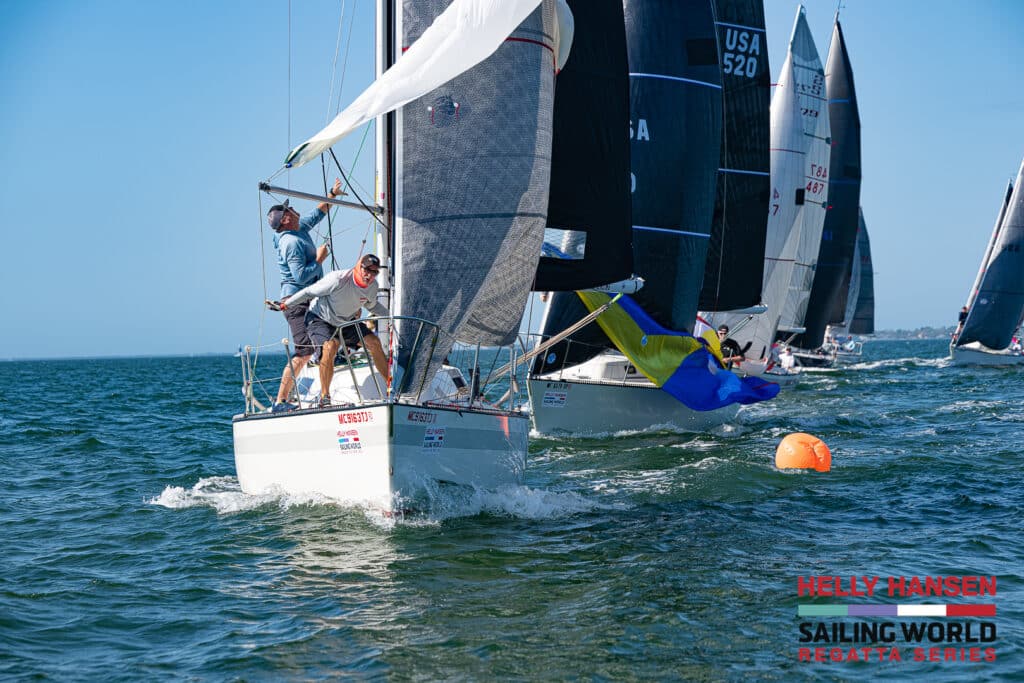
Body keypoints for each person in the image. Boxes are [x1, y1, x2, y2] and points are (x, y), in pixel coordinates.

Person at [268, 178, 344, 412]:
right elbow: (300, 278)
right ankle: (281, 401)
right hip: (296, 302)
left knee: (330, 334)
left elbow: (317, 213)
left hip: (312, 298)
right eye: (289, 209)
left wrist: (332, 194)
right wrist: (319, 259)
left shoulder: (297, 228)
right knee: (303, 352)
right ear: (286, 219)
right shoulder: (290, 242)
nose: (294, 208)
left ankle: (329, 358)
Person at [281, 254, 390, 408]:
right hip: (319, 318)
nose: (369, 275)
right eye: (367, 270)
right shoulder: (338, 279)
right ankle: (325, 397)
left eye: (374, 272)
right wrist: (287, 304)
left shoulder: (372, 287)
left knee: (374, 342)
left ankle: (391, 388)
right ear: (359, 266)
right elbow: (309, 292)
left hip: (346, 321)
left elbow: (372, 307)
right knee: (330, 346)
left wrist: (391, 316)